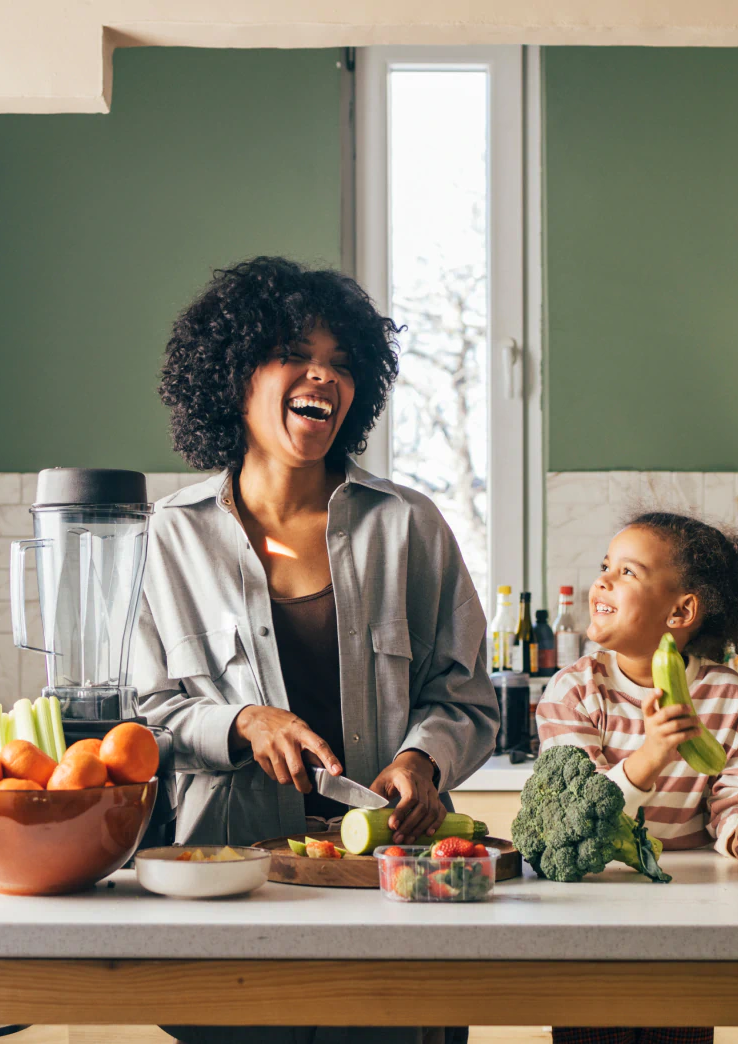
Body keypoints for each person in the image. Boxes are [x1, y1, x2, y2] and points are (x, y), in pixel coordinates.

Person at [134, 256, 498, 1044]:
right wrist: (243, 725)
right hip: (224, 897)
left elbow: (465, 697)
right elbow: (144, 715)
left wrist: (422, 762)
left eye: (341, 363)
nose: (321, 377)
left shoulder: (410, 526)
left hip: (389, 898)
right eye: (295, 354)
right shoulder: (169, 536)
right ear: (233, 376)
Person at [536, 511, 738, 1044]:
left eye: (627, 572)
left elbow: (737, 795)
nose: (602, 580)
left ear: (681, 610)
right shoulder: (574, 691)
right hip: (588, 919)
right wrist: (651, 755)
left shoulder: (728, 697)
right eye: (606, 566)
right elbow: (571, 820)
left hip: (688, 924)